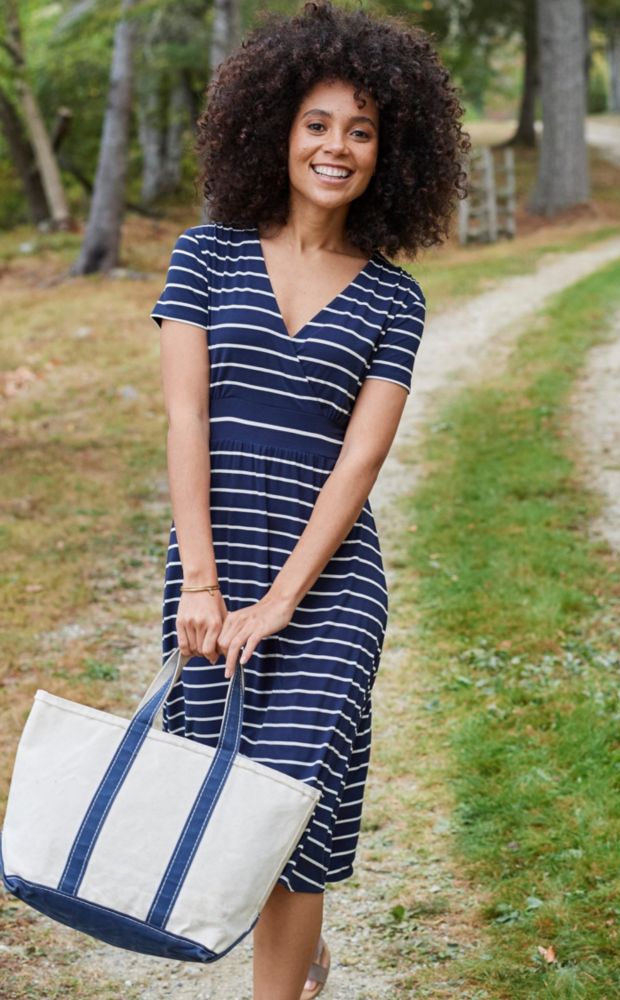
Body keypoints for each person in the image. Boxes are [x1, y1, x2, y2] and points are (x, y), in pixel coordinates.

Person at [149, 2, 468, 998]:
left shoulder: (392, 300)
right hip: (215, 561)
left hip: (327, 587)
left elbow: (359, 465)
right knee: (226, 795)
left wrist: (283, 602)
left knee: (294, 795)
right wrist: (202, 581)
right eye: (321, 123)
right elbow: (185, 421)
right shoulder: (206, 255)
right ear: (278, 128)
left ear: (391, 153)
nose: (338, 147)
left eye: (363, 131)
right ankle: (304, 963)